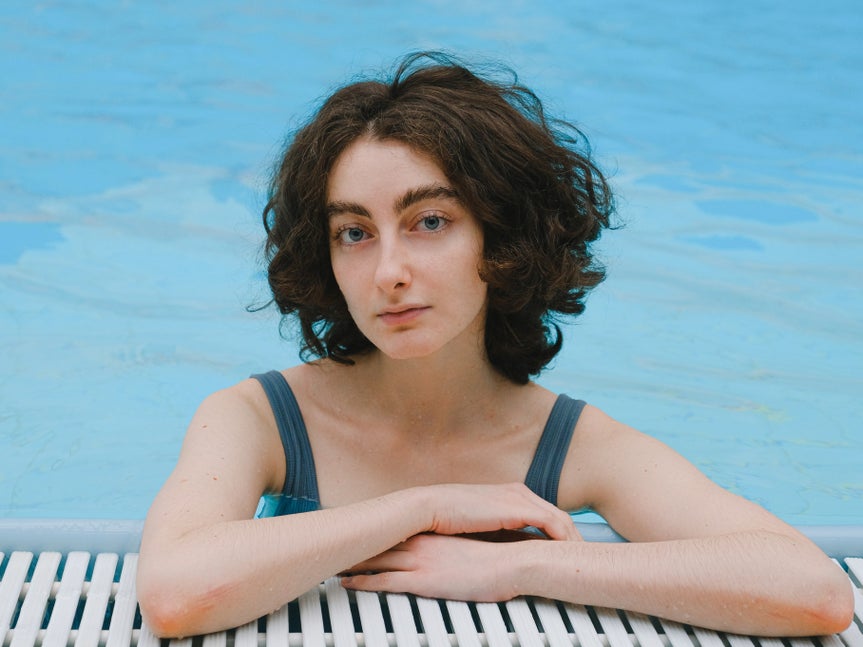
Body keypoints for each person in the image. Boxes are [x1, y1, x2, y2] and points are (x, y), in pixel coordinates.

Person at [137, 52, 853, 638]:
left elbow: (809, 589)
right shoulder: (260, 418)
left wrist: (527, 569)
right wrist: (424, 505)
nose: (389, 271)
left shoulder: (570, 444)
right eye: (353, 232)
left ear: (499, 237)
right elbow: (172, 594)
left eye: (429, 221)